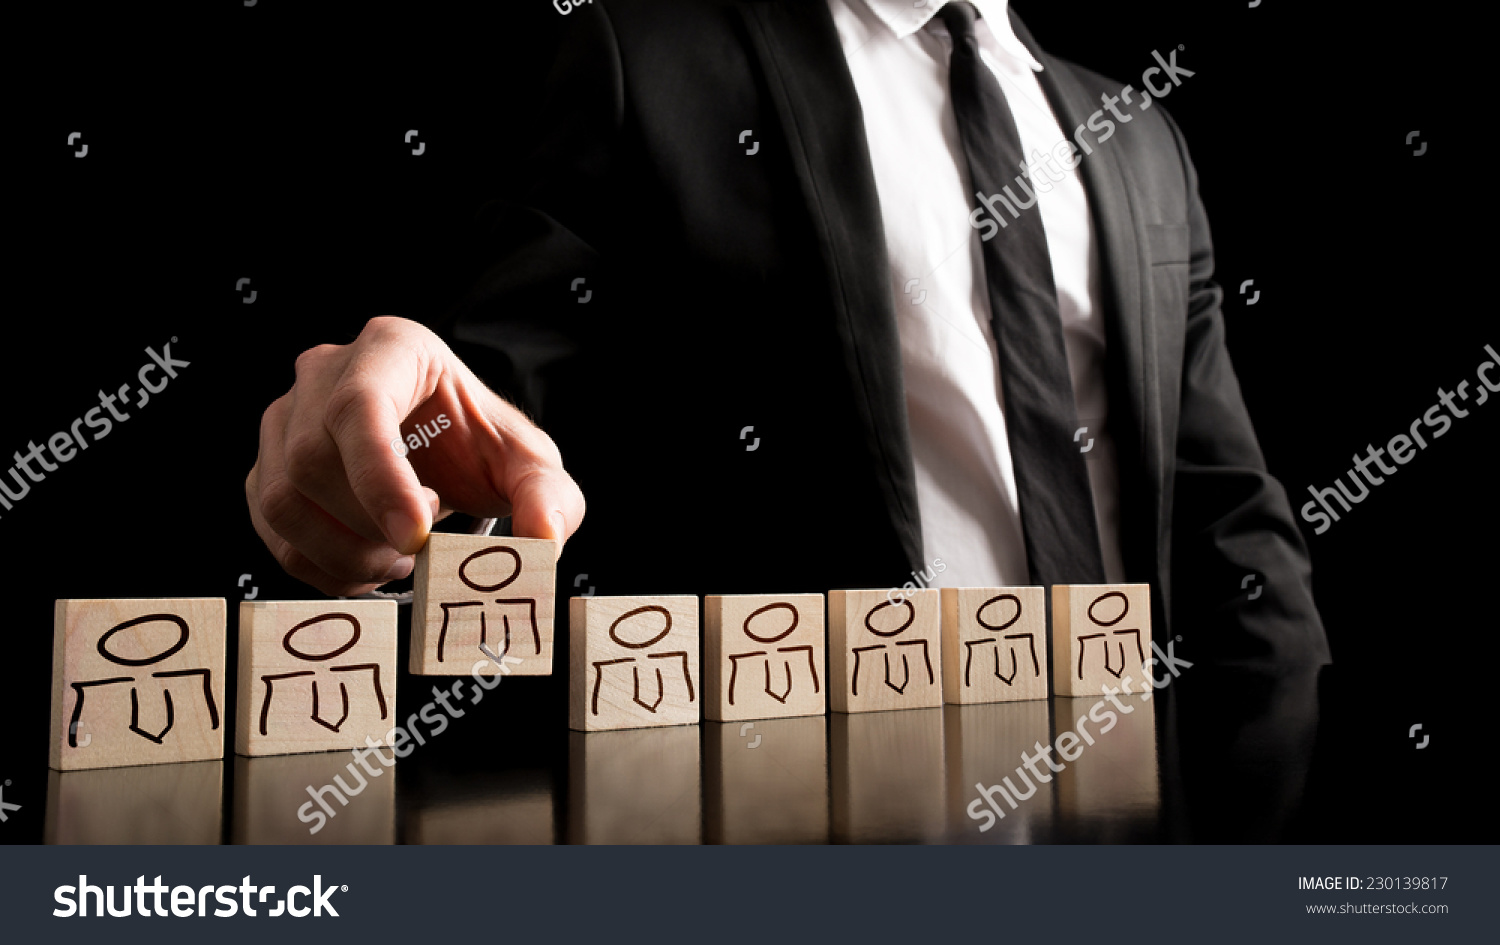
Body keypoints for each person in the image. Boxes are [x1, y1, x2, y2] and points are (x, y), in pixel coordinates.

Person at [246, 0, 1330, 670]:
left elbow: (1224, 505)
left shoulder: (1138, 136)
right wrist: (400, 460)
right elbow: (499, 396)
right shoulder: (646, 54)